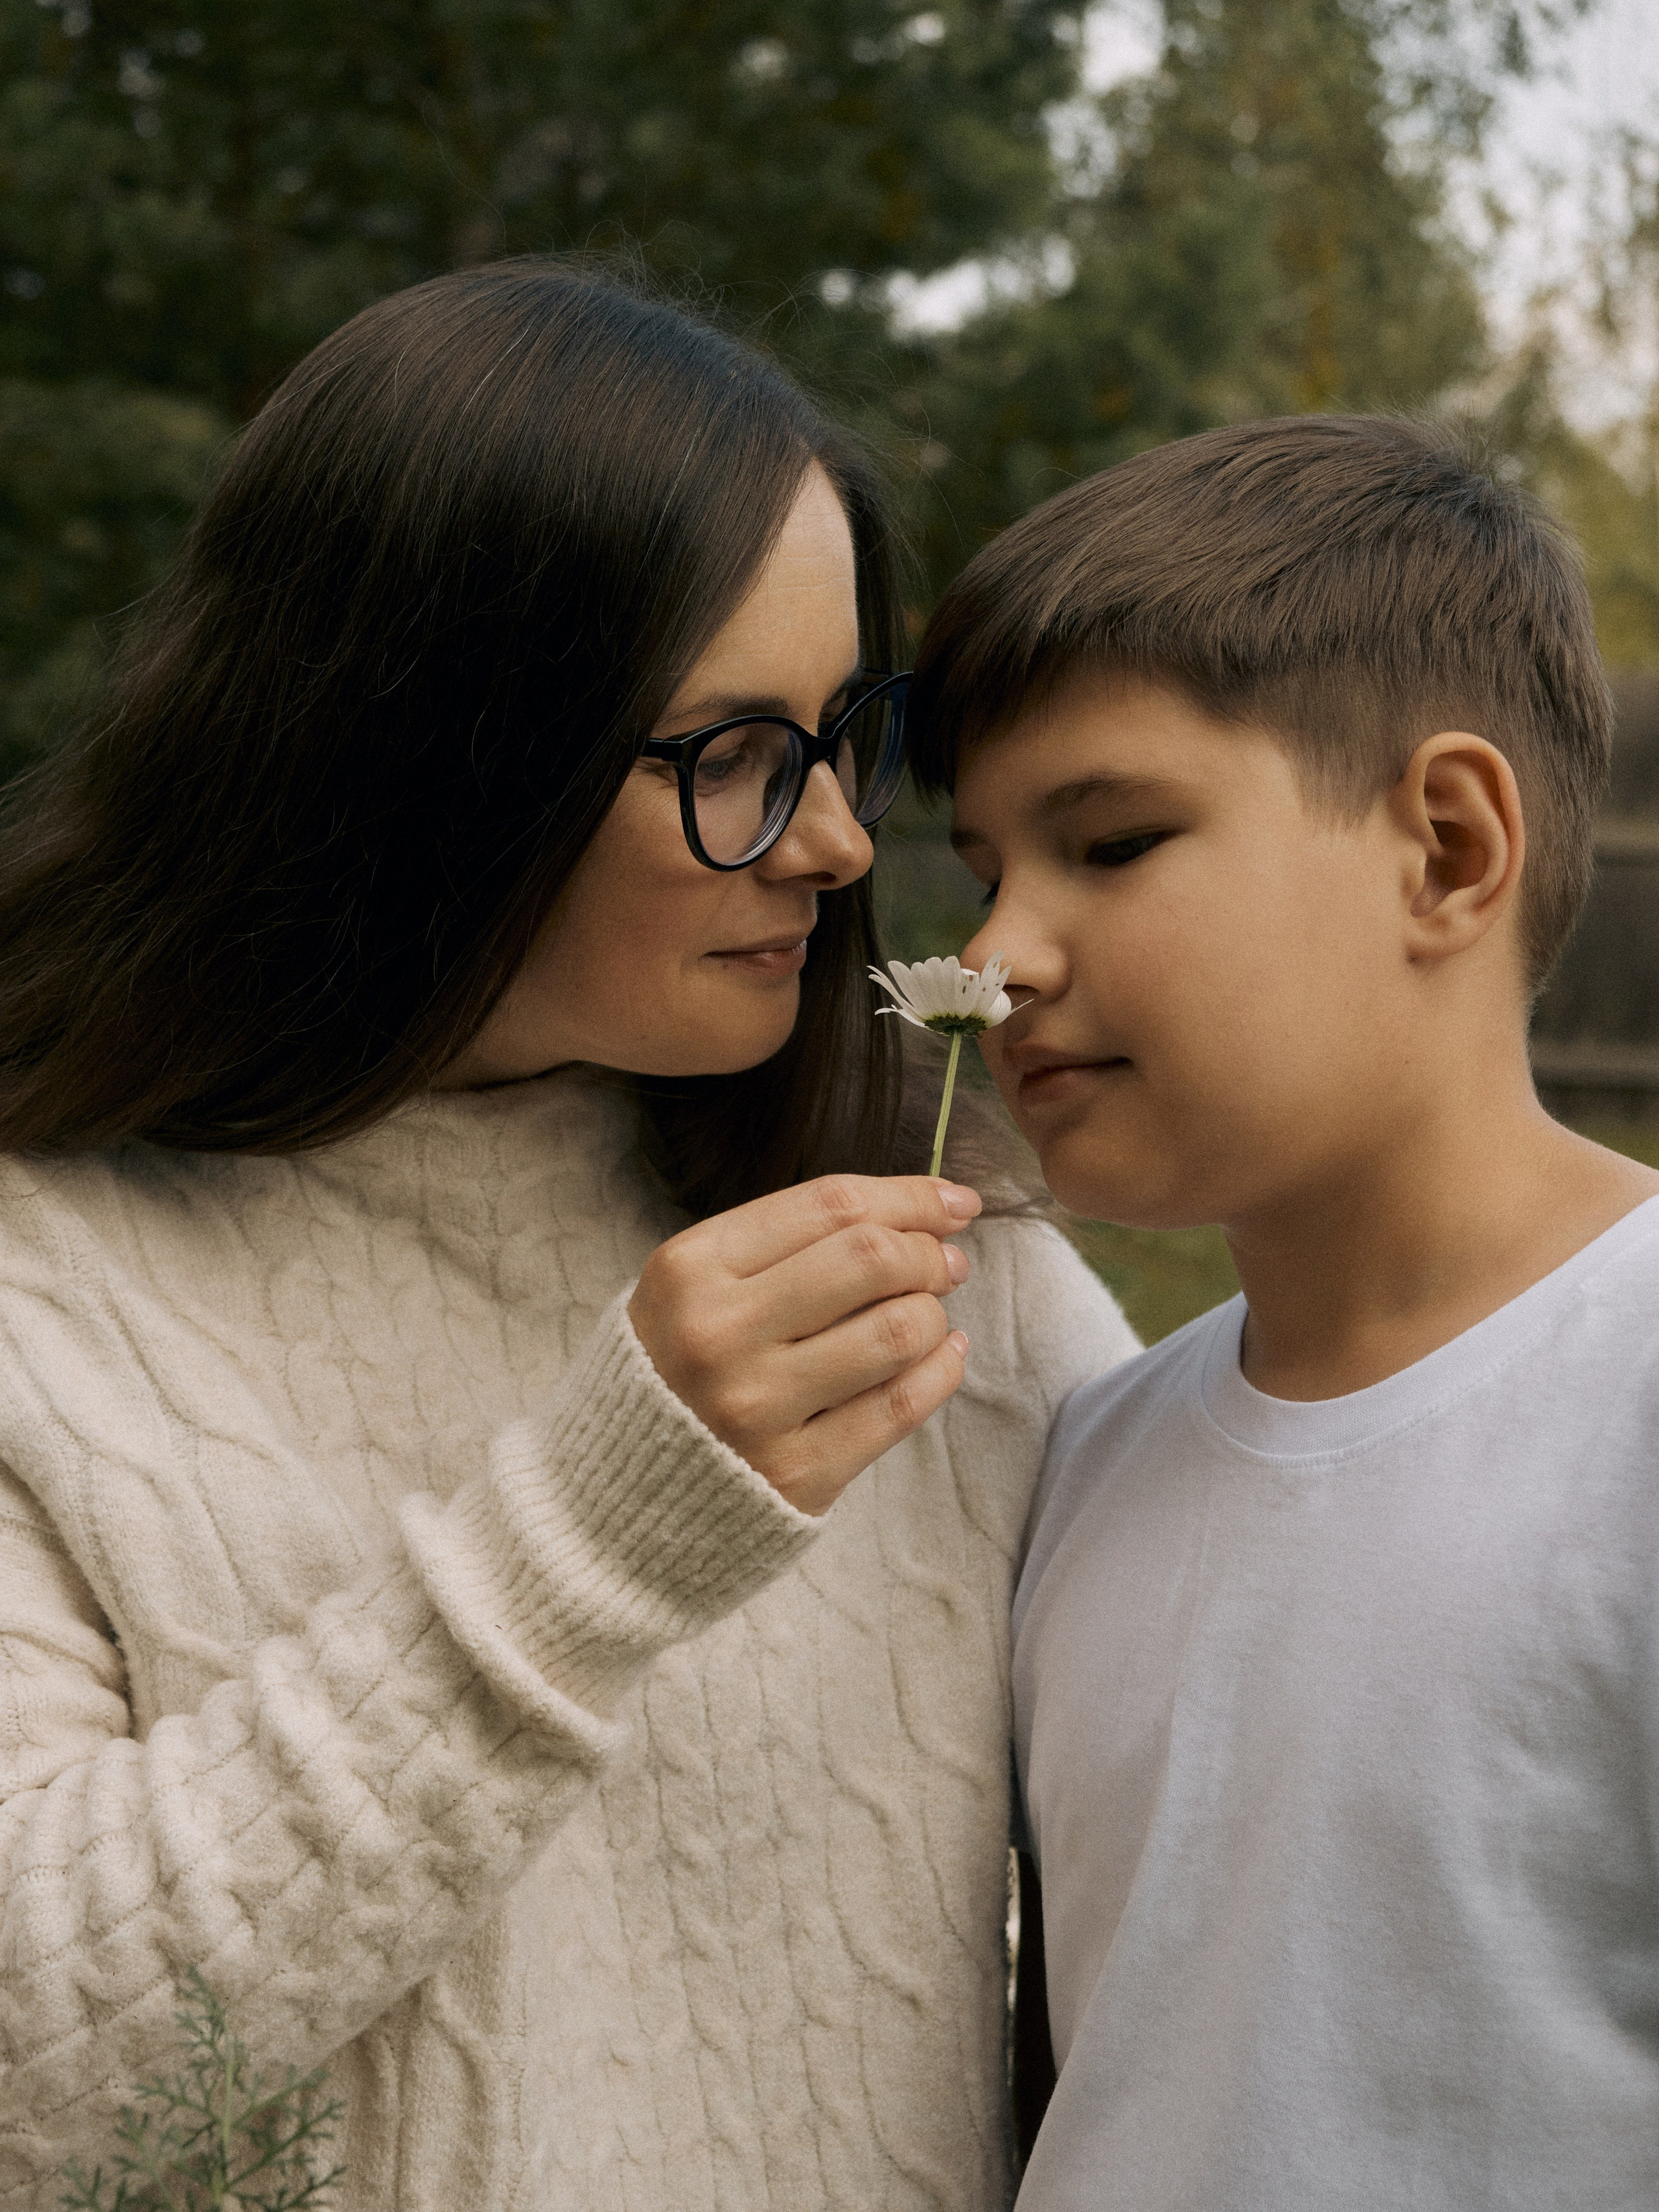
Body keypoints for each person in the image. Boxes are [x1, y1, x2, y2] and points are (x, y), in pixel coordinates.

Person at [0, 261, 1138, 2212]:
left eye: (843, 728)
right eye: (729, 758)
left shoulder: (953, 1258)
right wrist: (594, 1538)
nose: (840, 842)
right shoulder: (48, 1296)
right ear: (430, 768)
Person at [908, 414, 1659, 2211]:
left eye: (1111, 842)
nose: (1001, 958)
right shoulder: (1082, 1453)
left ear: (1449, 852)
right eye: (986, 872)